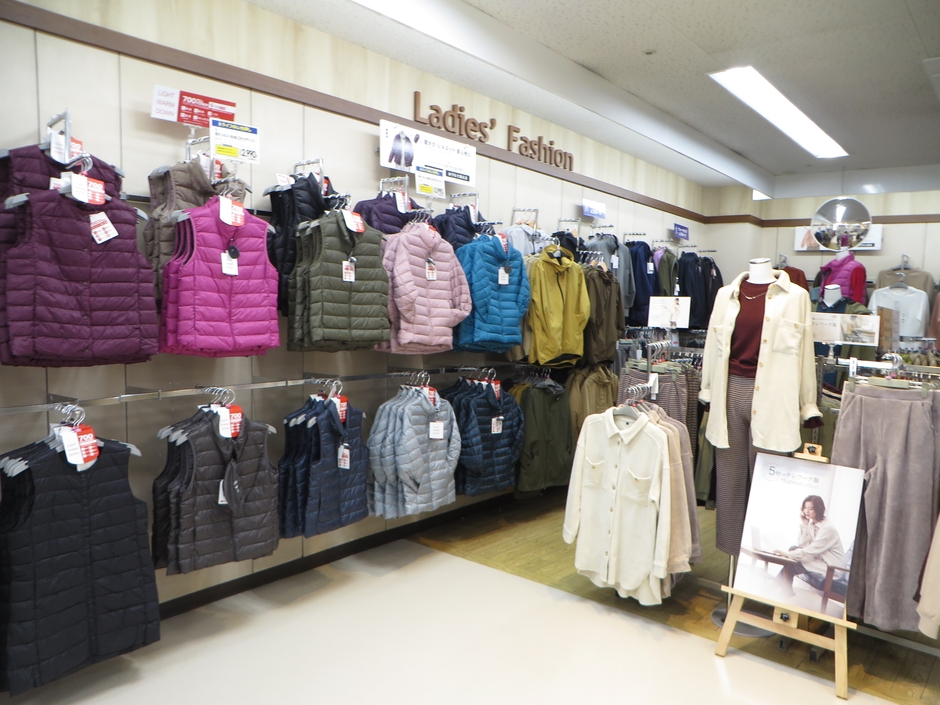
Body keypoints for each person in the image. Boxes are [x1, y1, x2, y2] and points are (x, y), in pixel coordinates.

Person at [774, 495, 847, 586]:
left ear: (818, 509)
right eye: (805, 508)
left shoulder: (827, 528)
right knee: (793, 548)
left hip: (832, 568)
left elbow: (811, 550)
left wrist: (788, 554)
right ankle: (783, 589)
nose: (806, 511)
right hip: (819, 561)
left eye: (810, 509)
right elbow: (803, 545)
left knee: (792, 564)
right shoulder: (812, 524)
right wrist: (805, 525)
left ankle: (775, 588)